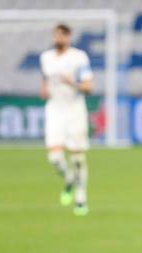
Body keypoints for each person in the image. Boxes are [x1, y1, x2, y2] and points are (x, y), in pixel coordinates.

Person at [40, 24, 94, 216]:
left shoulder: (78, 58)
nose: (58, 38)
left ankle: (81, 197)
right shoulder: (46, 58)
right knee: (54, 158)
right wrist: (44, 89)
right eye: (56, 35)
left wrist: (72, 82)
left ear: (68, 37)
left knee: (77, 158)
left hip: (74, 110)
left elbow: (89, 86)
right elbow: (45, 81)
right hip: (54, 109)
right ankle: (68, 177)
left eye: (62, 35)